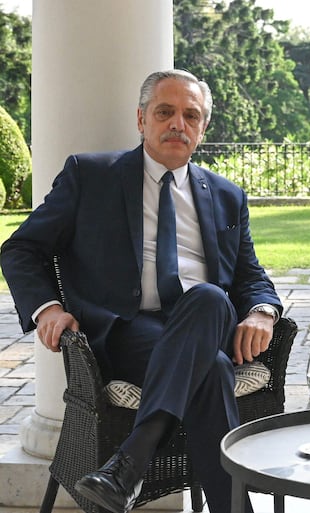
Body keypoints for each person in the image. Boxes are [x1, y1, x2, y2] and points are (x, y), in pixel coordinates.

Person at [0, 69, 282, 513]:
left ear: (202, 128)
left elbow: (250, 275)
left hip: (207, 321)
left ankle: (129, 465)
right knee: (213, 372)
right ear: (141, 119)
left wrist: (263, 310)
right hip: (128, 333)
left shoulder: (227, 195)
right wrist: (47, 309)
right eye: (165, 112)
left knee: (209, 298)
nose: (178, 124)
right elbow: (21, 248)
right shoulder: (91, 176)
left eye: (191, 116)